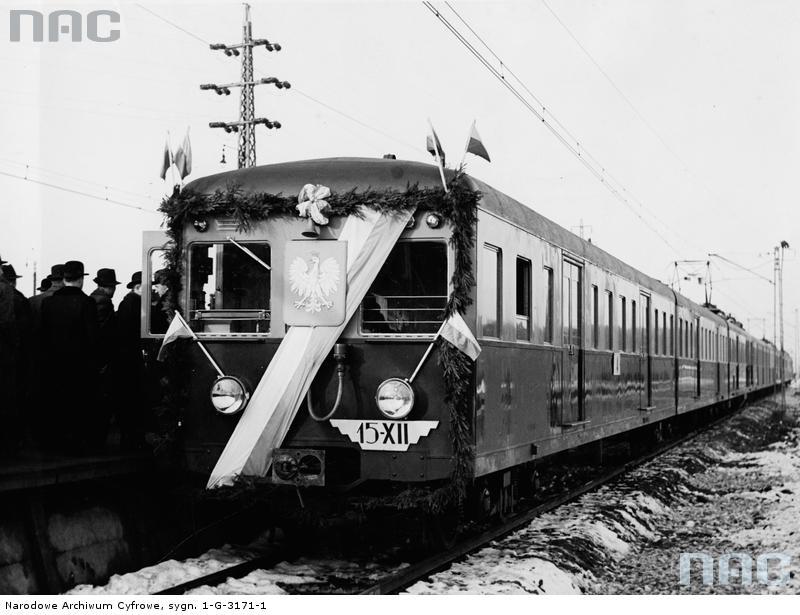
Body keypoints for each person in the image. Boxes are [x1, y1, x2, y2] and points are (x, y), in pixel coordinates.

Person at [40, 260, 101, 454]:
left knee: (56, 405)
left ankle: (56, 443)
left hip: (53, 364)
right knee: (79, 406)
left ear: (64, 278)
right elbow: (93, 338)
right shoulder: (87, 303)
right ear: (82, 279)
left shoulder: (48, 303)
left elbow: (41, 335)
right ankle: (76, 444)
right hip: (80, 366)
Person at [114, 271, 146, 450]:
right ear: (138, 288)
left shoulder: (127, 302)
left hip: (125, 358)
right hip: (131, 359)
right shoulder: (136, 303)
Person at [150, 268, 170, 334]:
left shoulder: (163, 303)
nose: (156, 290)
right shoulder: (168, 299)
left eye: (157, 287)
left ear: (166, 286)